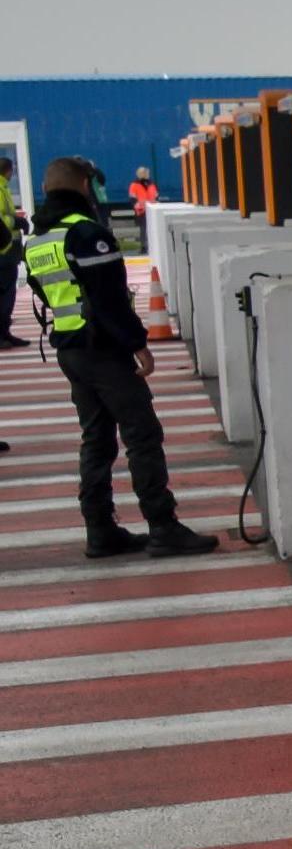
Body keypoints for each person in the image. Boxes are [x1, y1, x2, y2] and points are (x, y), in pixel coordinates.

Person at [23, 156, 219, 559]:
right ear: (82, 185)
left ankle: (100, 529)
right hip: (103, 352)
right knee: (142, 435)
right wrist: (137, 342)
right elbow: (109, 299)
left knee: (96, 439)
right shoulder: (86, 234)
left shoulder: (39, 241)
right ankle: (163, 526)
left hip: (70, 350)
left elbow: (45, 295)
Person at [0, 153, 27, 351]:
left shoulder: (4, 188)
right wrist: (16, 222)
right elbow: (2, 218)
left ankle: (5, 332)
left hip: (8, 248)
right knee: (4, 293)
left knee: (8, 294)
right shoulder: (0, 188)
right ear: (9, 171)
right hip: (3, 248)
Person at [129, 166, 159, 234]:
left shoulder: (151, 184)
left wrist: (156, 204)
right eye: (146, 173)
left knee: (152, 230)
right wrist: (138, 207)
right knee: (144, 229)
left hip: (152, 210)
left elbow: (156, 196)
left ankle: (150, 244)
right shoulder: (134, 184)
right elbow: (133, 199)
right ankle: (144, 244)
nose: (148, 174)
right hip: (142, 211)